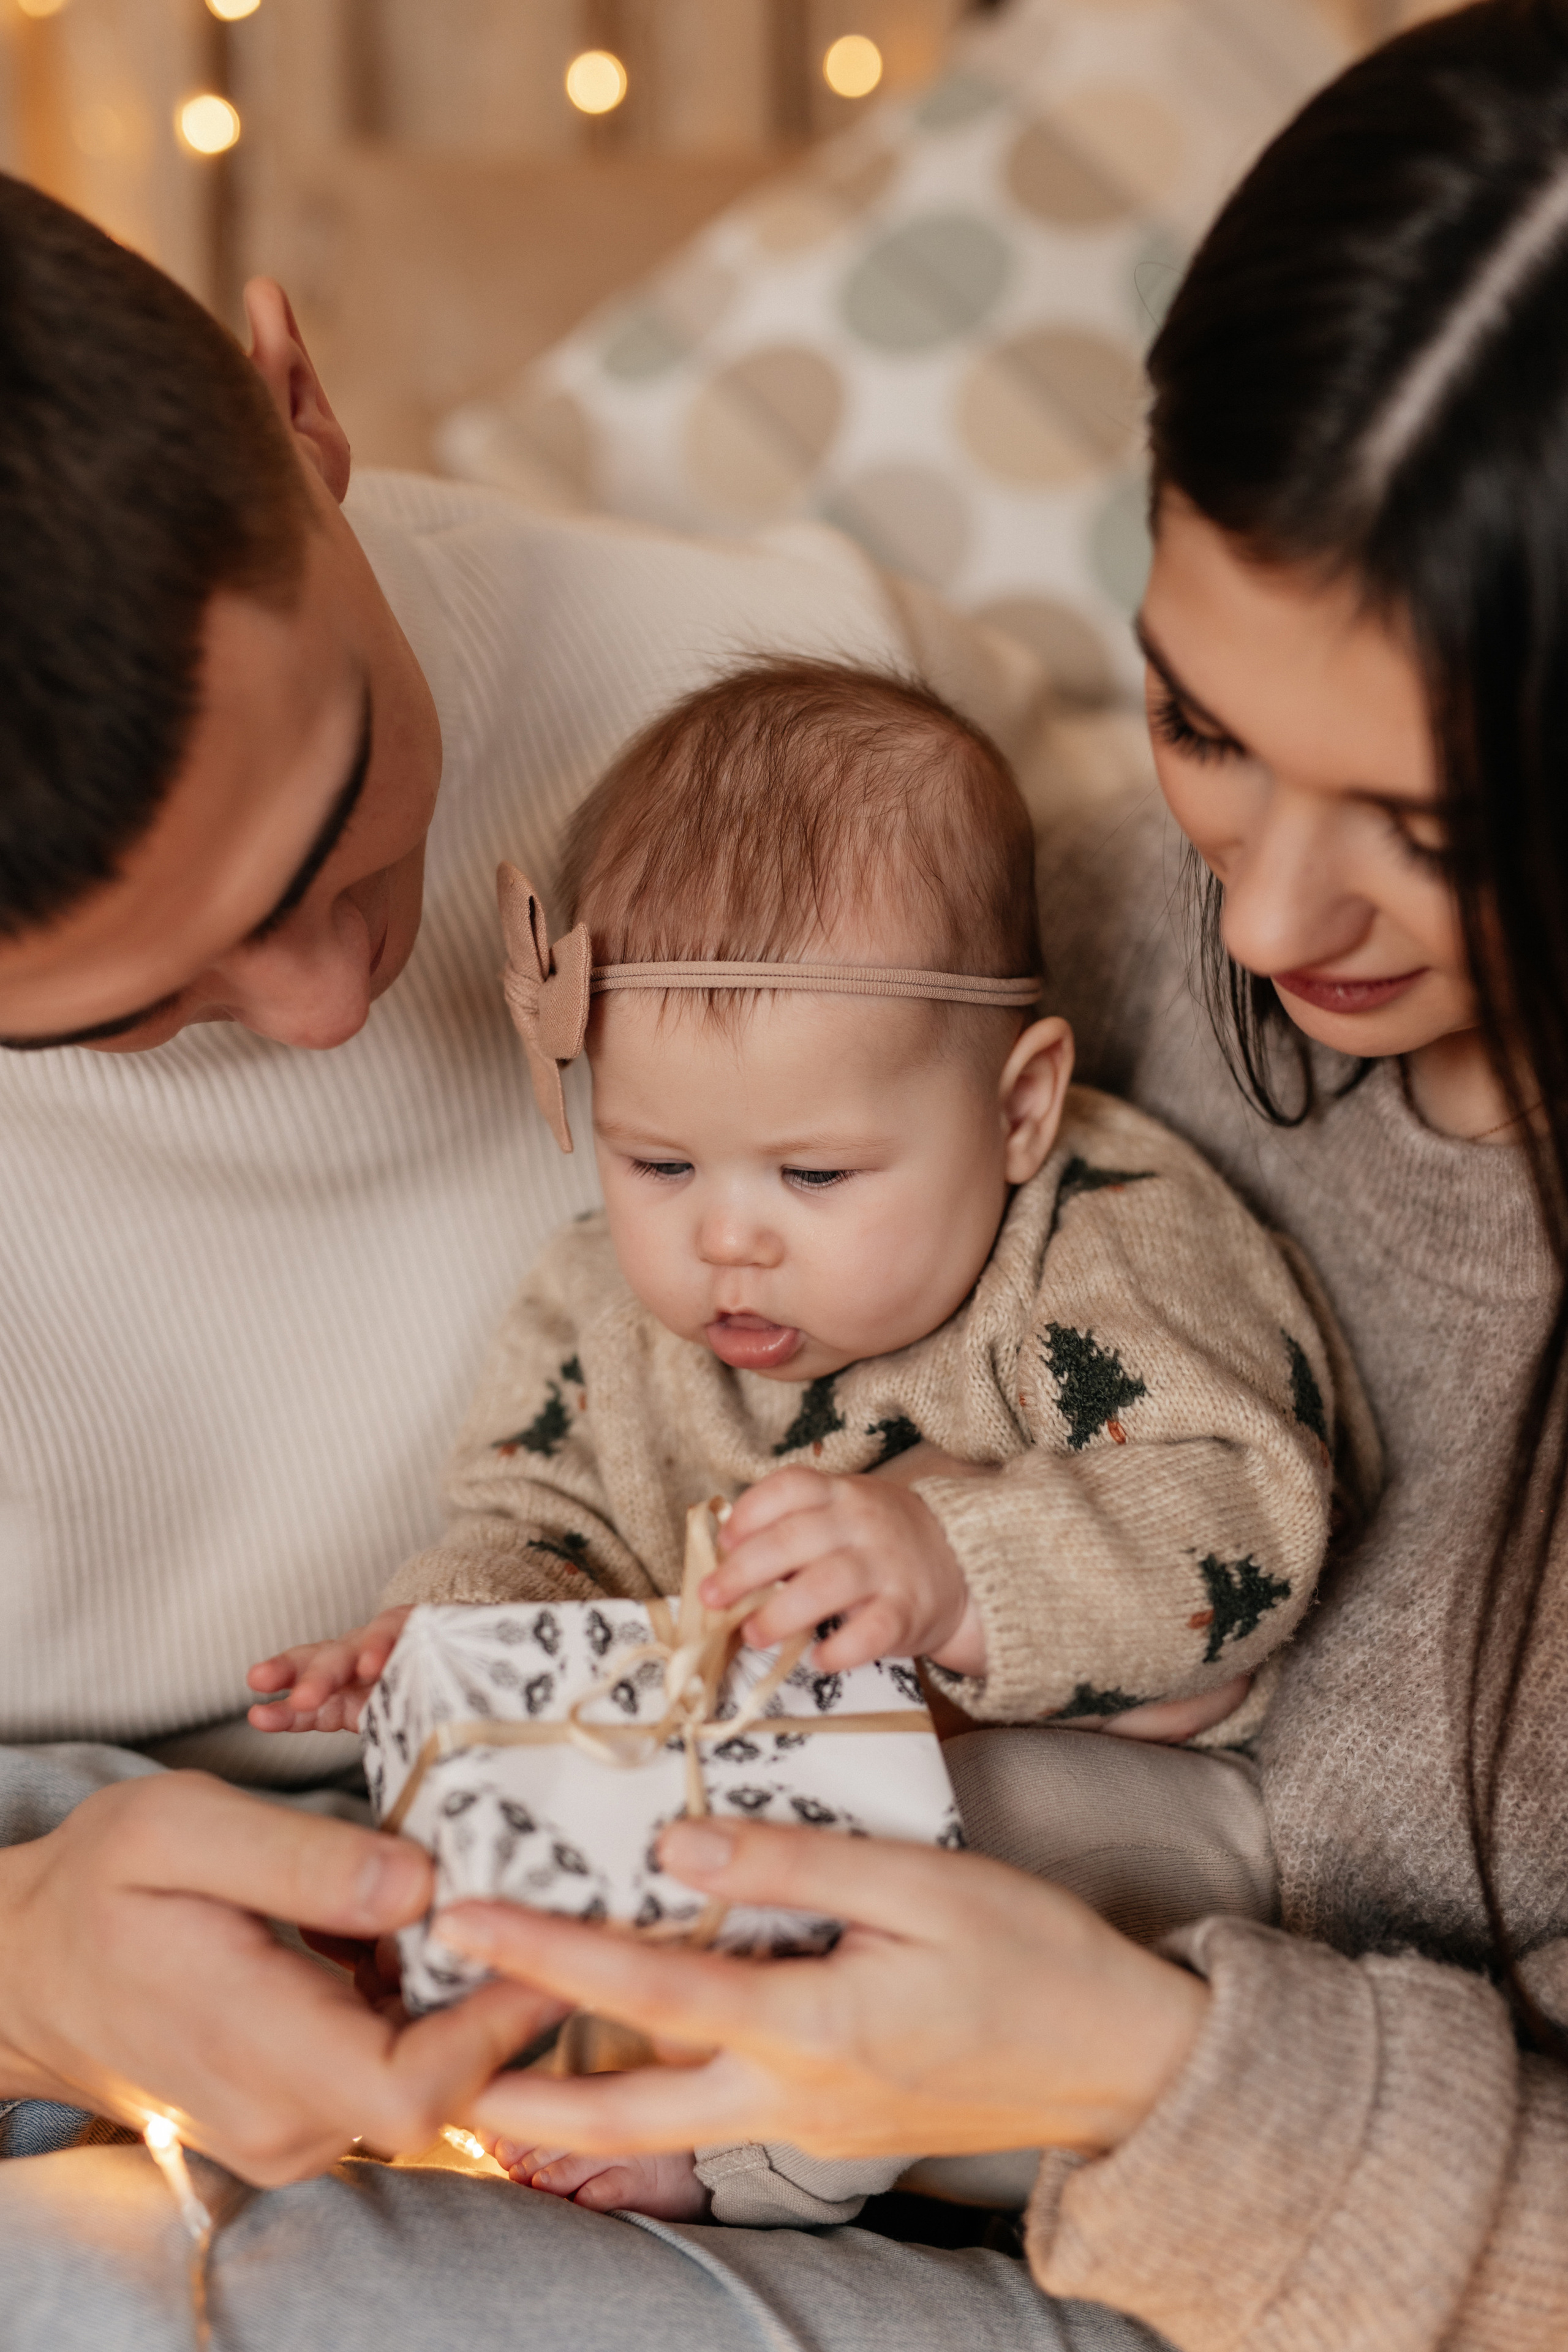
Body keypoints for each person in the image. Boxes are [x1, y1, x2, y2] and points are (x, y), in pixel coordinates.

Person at [247, 658, 1351, 2226]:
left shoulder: (1104, 1243)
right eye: (657, 1161)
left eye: (813, 1177)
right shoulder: (594, 1311)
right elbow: (538, 1518)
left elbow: (1243, 1520)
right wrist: (455, 1644)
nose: (726, 1241)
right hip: (752, 1833)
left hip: (1114, 1841)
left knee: (941, 1826)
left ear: (1018, 1108)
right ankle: (599, 2048)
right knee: (572, 1852)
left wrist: (950, 1566)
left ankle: (745, 2154)